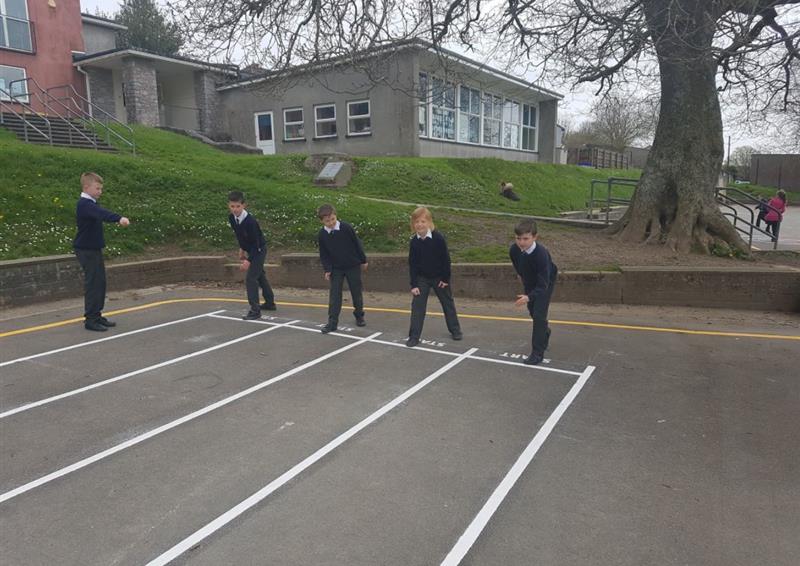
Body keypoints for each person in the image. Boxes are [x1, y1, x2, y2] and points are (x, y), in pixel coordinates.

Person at [73, 172, 130, 332]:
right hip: (86, 250)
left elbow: (98, 212)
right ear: (86, 187)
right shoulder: (85, 204)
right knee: (93, 284)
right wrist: (118, 218)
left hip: (93, 249)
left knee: (100, 283)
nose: (100, 191)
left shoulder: (91, 203)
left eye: (101, 188)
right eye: (97, 188)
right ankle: (90, 319)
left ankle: (97, 315)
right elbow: (101, 214)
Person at [407, 207, 462, 347]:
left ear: (429, 222)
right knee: (417, 306)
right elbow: (412, 264)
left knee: (447, 303)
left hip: (439, 277)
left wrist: (445, 279)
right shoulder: (414, 242)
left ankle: (455, 330)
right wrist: (414, 285)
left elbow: (445, 260)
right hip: (422, 278)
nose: (420, 224)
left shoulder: (438, 238)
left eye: (423, 221)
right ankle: (414, 336)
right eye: (417, 222)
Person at [509, 218, 558, 365]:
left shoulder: (541, 254)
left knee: (538, 315)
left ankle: (537, 354)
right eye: (518, 238)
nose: (522, 242)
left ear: (534, 237)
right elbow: (518, 267)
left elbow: (543, 284)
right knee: (533, 312)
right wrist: (525, 286)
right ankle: (545, 331)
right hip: (530, 281)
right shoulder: (514, 249)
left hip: (545, 282)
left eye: (526, 238)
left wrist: (529, 297)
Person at [317, 203, 368, 333]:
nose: (331, 223)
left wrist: (363, 260)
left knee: (356, 292)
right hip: (336, 268)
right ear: (322, 221)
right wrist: (327, 269)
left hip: (352, 265)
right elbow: (324, 254)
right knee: (334, 295)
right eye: (327, 221)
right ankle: (332, 322)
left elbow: (357, 244)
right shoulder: (322, 234)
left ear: (336, 216)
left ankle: (359, 315)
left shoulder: (346, 228)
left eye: (333, 219)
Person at [227, 191, 276, 320]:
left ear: (244, 205)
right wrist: (242, 249)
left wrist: (248, 261)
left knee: (251, 278)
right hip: (250, 249)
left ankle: (255, 310)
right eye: (232, 206)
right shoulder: (232, 218)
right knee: (259, 276)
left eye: (238, 206)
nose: (235, 209)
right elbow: (239, 235)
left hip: (259, 250)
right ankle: (270, 303)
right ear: (229, 206)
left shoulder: (250, 222)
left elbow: (257, 244)